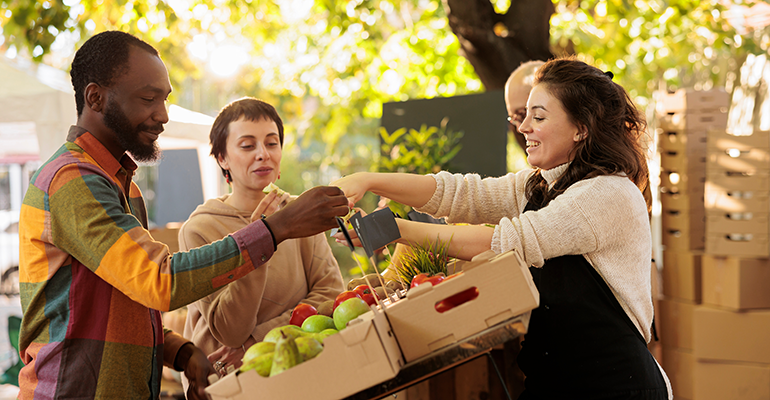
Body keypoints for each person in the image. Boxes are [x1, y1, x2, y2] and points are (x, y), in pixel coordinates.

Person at [17, 31, 348, 400]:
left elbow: (127, 296)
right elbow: (159, 280)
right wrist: (274, 230)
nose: (163, 115)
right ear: (95, 97)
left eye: (165, 99)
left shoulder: (122, 185)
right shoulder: (71, 180)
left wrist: (180, 351)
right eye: (148, 99)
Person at [332, 57, 672, 400]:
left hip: (615, 385)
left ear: (581, 128)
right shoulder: (540, 185)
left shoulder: (607, 193)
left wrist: (393, 228)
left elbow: (505, 241)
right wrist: (369, 180)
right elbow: (461, 194)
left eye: (538, 117)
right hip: (556, 381)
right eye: (523, 115)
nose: (523, 127)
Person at [178, 97, 345, 386]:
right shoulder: (200, 229)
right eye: (247, 145)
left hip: (301, 370)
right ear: (222, 158)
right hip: (230, 383)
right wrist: (258, 241)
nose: (263, 154)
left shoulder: (300, 213)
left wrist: (258, 340)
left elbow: (331, 293)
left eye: (271, 143)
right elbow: (230, 332)